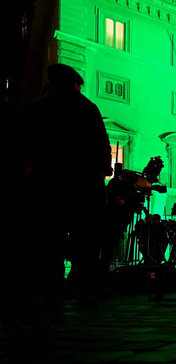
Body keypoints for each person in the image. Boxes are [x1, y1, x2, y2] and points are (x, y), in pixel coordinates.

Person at [16, 63, 112, 299]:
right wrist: (102, 172)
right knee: (87, 238)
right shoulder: (87, 107)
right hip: (84, 182)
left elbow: (19, 145)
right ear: (74, 84)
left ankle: (49, 285)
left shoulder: (30, 108)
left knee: (47, 237)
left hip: (45, 181)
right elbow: (102, 144)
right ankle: (85, 284)